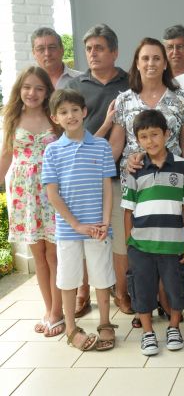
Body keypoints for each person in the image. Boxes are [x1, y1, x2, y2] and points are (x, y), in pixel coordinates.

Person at [109, 37, 184, 321]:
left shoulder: (179, 98)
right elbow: (117, 144)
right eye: (145, 58)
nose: (151, 63)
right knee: (139, 244)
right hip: (136, 184)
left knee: (166, 244)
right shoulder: (124, 99)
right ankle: (140, 300)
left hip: (171, 186)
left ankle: (166, 299)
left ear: (165, 63)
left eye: (156, 58)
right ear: (137, 62)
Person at [121, 109, 184, 356]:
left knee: (176, 286)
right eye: (144, 137)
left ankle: (174, 327)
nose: (150, 141)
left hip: (173, 243)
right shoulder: (135, 169)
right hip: (141, 246)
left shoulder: (182, 167)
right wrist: (129, 243)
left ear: (167, 134)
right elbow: (128, 210)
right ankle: (147, 332)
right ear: (137, 139)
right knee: (142, 288)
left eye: (155, 134)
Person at [42, 88, 117, 351]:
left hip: (98, 227)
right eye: (63, 112)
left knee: (102, 276)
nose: (70, 115)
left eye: (75, 109)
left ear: (84, 112)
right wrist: (76, 224)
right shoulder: (52, 151)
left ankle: (105, 323)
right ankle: (71, 329)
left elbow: (107, 188)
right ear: (55, 118)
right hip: (68, 229)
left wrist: (105, 222)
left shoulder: (101, 146)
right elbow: (52, 194)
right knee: (68, 278)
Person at [66, 23, 129, 319]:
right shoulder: (75, 86)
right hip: (80, 178)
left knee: (118, 237)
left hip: (116, 175)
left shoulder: (129, 84)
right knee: (81, 236)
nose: (93, 53)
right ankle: (83, 292)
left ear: (114, 52)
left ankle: (121, 292)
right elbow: (69, 131)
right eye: (89, 49)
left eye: (99, 48)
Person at [0, 67, 61, 337]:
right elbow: (5, 156)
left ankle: (58, 311)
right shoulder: (12, 118)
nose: (32, 93)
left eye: (38, 88)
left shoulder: (55, 117)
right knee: (39, 256)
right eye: (27, 87)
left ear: (47, 91)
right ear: (19, 89)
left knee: (54, 254)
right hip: (25, 195)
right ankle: (48, 309)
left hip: (52, 191)